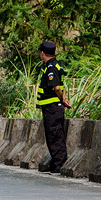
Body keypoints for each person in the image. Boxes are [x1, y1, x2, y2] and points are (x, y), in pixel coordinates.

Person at [36, 41, 72, 174]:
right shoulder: (54, 65)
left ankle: (59, 164)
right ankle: (55, 162)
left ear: (42, 53)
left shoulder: (51, 67)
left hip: (52, 108)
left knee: (55, 135)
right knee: (52, 135)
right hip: (51, 107)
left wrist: (62, 99)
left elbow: (56, 87)